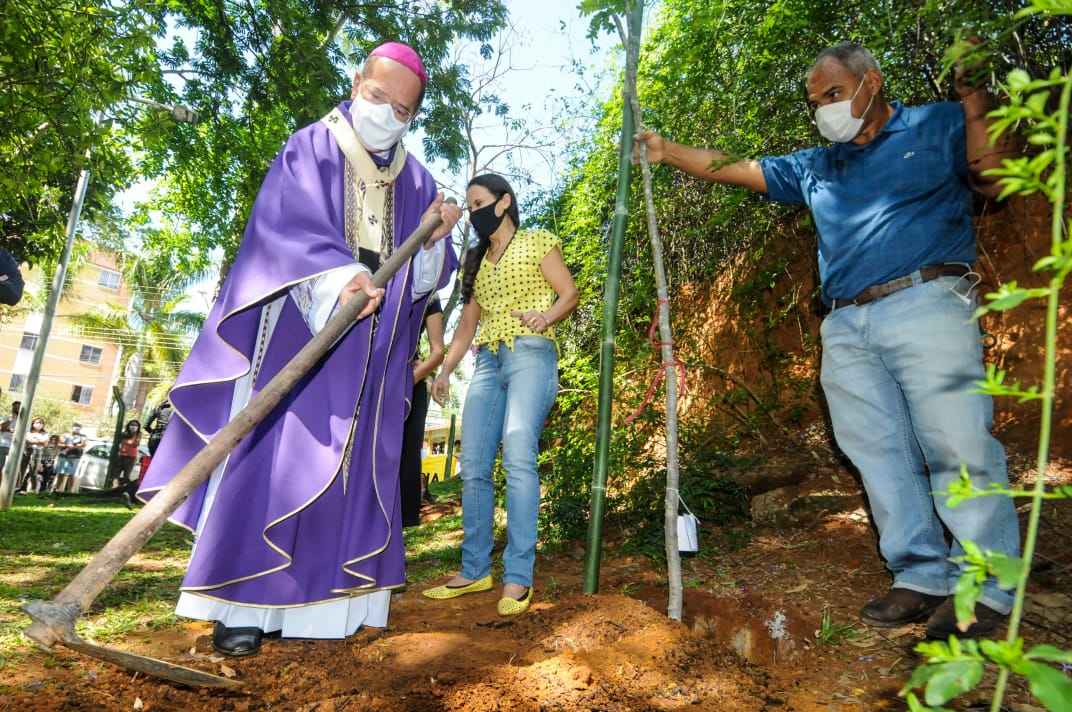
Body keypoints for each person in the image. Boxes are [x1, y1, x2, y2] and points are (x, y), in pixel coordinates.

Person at [636, 42, 1021, 639]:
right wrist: (667, 153)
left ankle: (989, 586)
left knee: (956, 440)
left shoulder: (937, 123)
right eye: (816, 103)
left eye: (833, 95)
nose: (824, 111)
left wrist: (974, 99)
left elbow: (996, 179)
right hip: (845, 323)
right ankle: (919, 575)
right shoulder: (820, 164)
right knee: (877, 451)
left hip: (929, 301)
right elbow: (735, 165)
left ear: (872, 83)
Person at [137, 41, 460, 657]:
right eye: (377, 97)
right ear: (356, 80)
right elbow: (283, 230)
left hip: (373, 350)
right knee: (278, 456)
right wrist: (340, 279)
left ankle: (332, 610)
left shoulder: (419, 180)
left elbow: (426, 282)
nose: (387, 114)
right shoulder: (312, 146)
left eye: (402, 110)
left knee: (353, 467)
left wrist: (431, 245)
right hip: (303, 327)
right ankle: (241, 605)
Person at [425, 174, 578, 616]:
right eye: (469, 207)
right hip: (487, 363)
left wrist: (546, 316)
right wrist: (444, 371)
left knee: (517, 453)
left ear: (504, 201)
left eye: (479, 203)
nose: (473, 213)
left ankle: (517, 577)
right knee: (472, 464)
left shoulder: (536, 241)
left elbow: (569, 292)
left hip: (531, 354)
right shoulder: (476, 260)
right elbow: (467, 326)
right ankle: (474, 571)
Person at [399, 296, 445, 527]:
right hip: (364, 379)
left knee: (407, 455)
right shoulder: (361, 269)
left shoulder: (428, 289)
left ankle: (398, 540)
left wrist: (409, 380)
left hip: (409, 384)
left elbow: (438, 350)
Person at [53, 423, 87, 493]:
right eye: (75, 427)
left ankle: (69, 492)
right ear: (72, 427)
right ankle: (57, 490)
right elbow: (59, 443)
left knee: (71, 475)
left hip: (75, 457)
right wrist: (67, 445)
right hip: (63, 456)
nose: (76, 429)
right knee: (61, 473)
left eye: (78, 427)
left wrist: (74, 446)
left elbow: (83, 444)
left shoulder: (83, 436)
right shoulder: (65, 435)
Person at [19, 417, 48, 493]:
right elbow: (28, 441)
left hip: (38, 452)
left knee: (33, 471)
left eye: (41, 423)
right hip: (27, 451)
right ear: (33, 423)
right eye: (37, 422)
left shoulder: (45, 433)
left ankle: (33, 489)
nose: (39, 424)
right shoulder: (28, 432)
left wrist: (34, 441)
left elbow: (45, 443)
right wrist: (39, 441)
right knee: (22, 470)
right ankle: (18, 487)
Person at [117, 419, 142, 505]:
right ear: (128, 425)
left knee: (126, 475)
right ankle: (116, 490)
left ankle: (124, 494)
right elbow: (122, 442)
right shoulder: (124, 433)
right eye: (132, 425)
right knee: (116, 474)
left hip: (131, 457)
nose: (133, 427)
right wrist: (128, 441)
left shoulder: (138, 434)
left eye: (135, 425)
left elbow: (135, 444)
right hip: (121, 455)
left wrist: (128, 440)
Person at [0, 401, 21, 475]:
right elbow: (1, 428)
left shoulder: (24, 420)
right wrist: (11, 419)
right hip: (3, 445)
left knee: (11, 470)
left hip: (15, 446)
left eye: (18, 407)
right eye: (15, 407)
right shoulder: (7, 417)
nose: (16, 409)